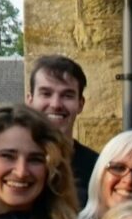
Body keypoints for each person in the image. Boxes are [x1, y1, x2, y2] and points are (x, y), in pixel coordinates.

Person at [27, 54, 97, 185]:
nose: (56, 104)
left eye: (67, 95)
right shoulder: (12, 165)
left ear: (80, 104)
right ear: (30, 101)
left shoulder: (97, 170)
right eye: (46, 94)